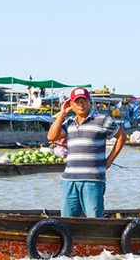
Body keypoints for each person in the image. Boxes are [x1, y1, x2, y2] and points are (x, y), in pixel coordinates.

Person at [47, 87, 126, 217]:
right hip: (69, 180)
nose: (81, 104)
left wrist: (109, 160)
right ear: (72, 104)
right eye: (77, 102)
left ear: (90, 102)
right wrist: (62, 113)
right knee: (67, 221)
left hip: (93, 180)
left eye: (84, 101)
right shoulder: (68, 123)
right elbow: (51, 137)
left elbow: (122, 136)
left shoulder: (102, 120)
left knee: (94, 220)